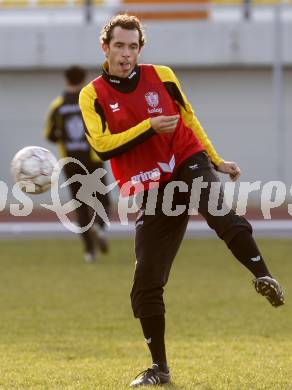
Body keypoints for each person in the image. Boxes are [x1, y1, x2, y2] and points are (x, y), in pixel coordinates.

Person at [79, 14, 284, 387]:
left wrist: (216, 160)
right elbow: (101, 147)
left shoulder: (163, 76)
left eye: (133, 46)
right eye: (119, 46)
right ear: (104, 47)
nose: (126, 54)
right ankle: (160, 369)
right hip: (152, 186)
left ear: (141, 48)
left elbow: (189, 120)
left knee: (220, 212)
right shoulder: (92, 94)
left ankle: (263, 275)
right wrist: (148, 128)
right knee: (145, 284)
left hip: (186, 159)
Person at [44, 65, 111, 263]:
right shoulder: (91, 102)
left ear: (66, 80)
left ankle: (89, 252)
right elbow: (105, 126)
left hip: (71, 161)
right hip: (93, 159)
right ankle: (99, 227)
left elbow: (49, 134)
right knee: (103, 200)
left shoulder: (58, 105)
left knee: (80, 205)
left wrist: (64, 138)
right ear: (84, 80)